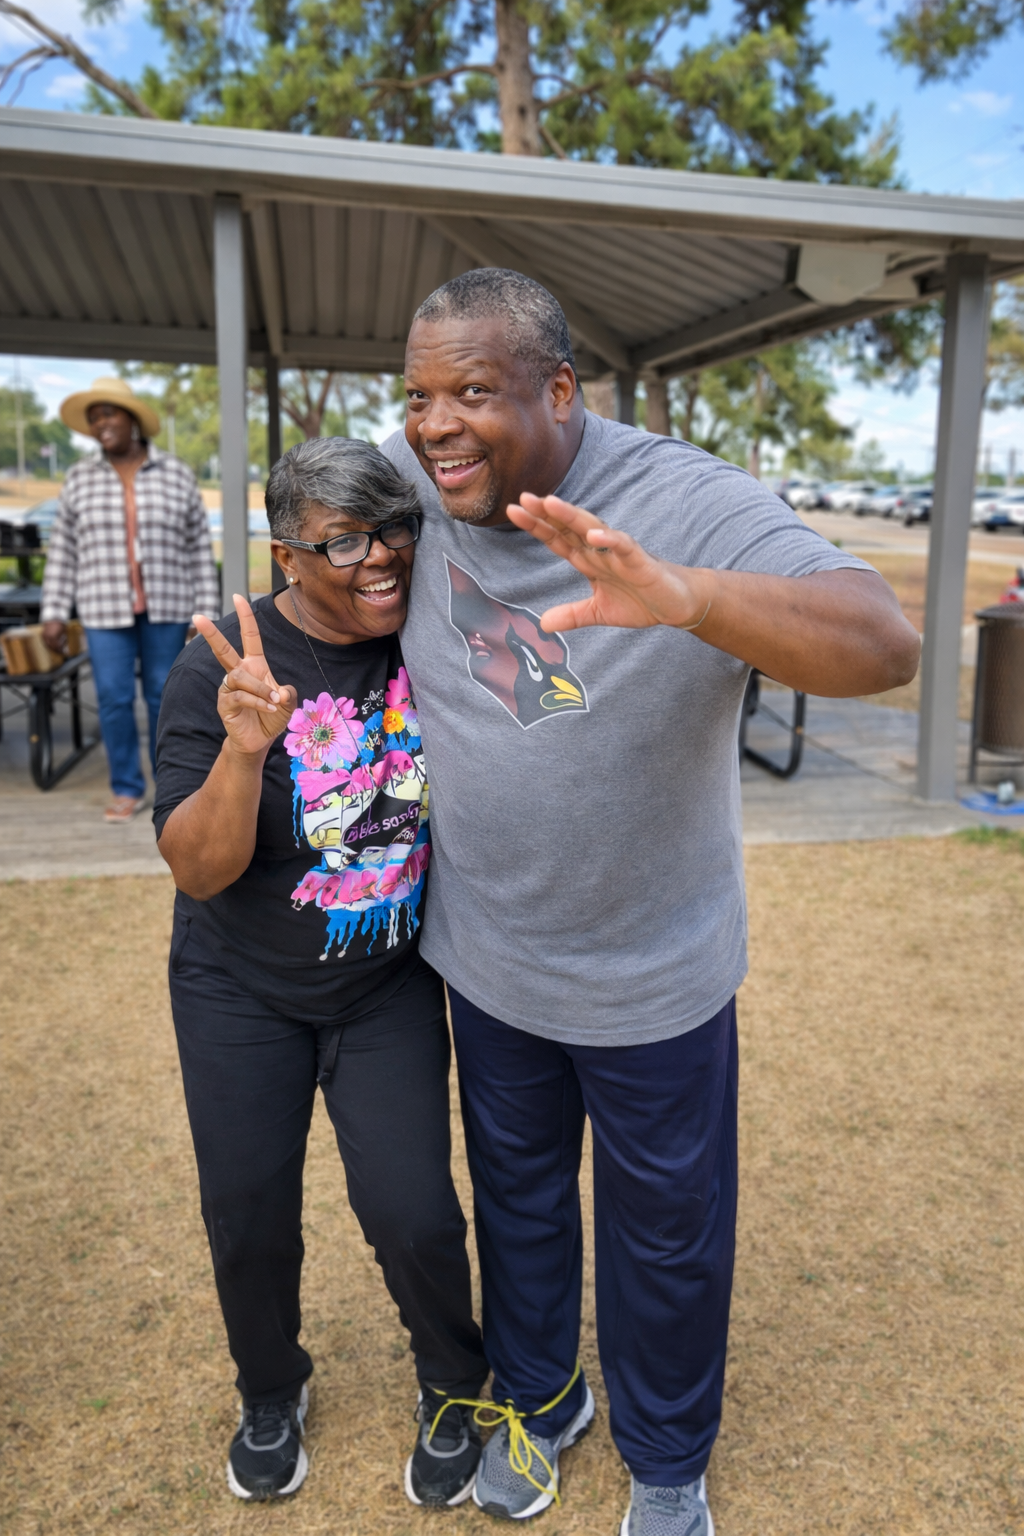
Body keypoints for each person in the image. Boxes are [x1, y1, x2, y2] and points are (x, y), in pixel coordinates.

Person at [381, 268, 920, 1534]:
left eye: (471, 391)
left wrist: (689, 599)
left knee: (663, 1232)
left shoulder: (685, 499)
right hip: (488, 951)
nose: (434, 424)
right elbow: (323, 551)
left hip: (651, 972)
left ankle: (668, 1460)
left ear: (561, 389)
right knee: (514, 1198)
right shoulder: (415, 485)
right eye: (415, 395)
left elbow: (881, 642)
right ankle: (542, 1396)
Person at [153, 438, 487, 1506]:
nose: (379, 557)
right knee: (246, 1207)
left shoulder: (432, 631)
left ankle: (451, 1380)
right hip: (238, 985)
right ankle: (269, 1385)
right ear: (288, 555)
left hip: (383, 982)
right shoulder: (222, 662)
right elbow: (198, 869)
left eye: (394, 527)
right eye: (344, 540)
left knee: (413, 1211)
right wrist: (245, 750)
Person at [41, 376, 219, 822]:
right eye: (94, 417)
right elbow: (63, 549)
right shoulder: (80, 478)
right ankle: (126, 786)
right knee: (113, 698)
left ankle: (173, 786)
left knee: (167, 696)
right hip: (103, 608)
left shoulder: (175, 473)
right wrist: (54, 613)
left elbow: (198, 547)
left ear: (133, 420)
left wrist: (206, 614)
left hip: (167, 605)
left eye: (109, 414)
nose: (101, 423)